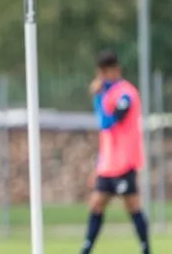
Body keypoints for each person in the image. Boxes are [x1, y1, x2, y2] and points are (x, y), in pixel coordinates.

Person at [80, 50, 150, 254]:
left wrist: (97, 97)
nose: (102, 77)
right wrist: (98, 164)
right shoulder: (108, 93)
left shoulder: (126, 93)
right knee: (96, 204)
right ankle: (86, 248)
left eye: (105, 72)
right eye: (99, 73)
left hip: (125, 161)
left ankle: (146, 248)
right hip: (108, 163)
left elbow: (107, 122)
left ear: (115, 70)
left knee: (132, 206)